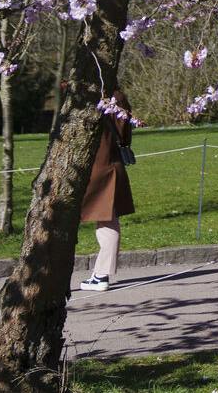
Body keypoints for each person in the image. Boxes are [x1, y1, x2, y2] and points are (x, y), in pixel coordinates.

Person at [77, 89, 134, 292]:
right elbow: (125, 132)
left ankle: (101, 274)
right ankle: (100, 273)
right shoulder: (118, 98)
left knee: (106, 218)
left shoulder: (95, 96)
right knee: (107, 218)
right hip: (109, 163)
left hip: (98, 164)